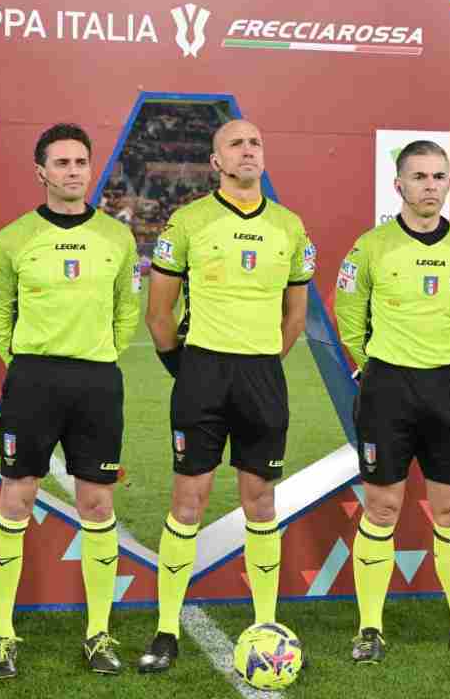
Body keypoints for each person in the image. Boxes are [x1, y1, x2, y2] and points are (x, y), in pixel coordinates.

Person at [137, 119, 314, 673]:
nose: (247, 150)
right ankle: (166, 629)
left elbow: (296, 316)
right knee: (187, 502)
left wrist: (262, 362)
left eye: (255, 142)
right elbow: (159, 314)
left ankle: (265, 624)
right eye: (235, 144)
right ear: (216, 161)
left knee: (261, 502)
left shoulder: (289, 226)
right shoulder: (188, 222)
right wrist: (187, 370)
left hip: (262, 376)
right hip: (203, 374)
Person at [335, 140, 450, 665]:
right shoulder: (371, 246)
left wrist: (448, 354)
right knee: (382, 506)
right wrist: (371, 367)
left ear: (449, 182)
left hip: (448, 387)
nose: (430, 185)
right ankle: (369, 629)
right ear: (399, 185)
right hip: (388, 388)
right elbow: (348, 314)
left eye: (438, 176)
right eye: (419, 176)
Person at [0, 123, 141, 678]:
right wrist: (28, 359)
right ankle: (2, 635)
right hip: (33, 379)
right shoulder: (12, 239)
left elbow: (127, 310)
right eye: (62, 162)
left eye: (81, 162)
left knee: (97, 505)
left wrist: (100, 353)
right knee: (17, 497)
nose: (73, 171)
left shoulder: (117, 238)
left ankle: (98, 634)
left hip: (98, 381)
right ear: (41, 172)